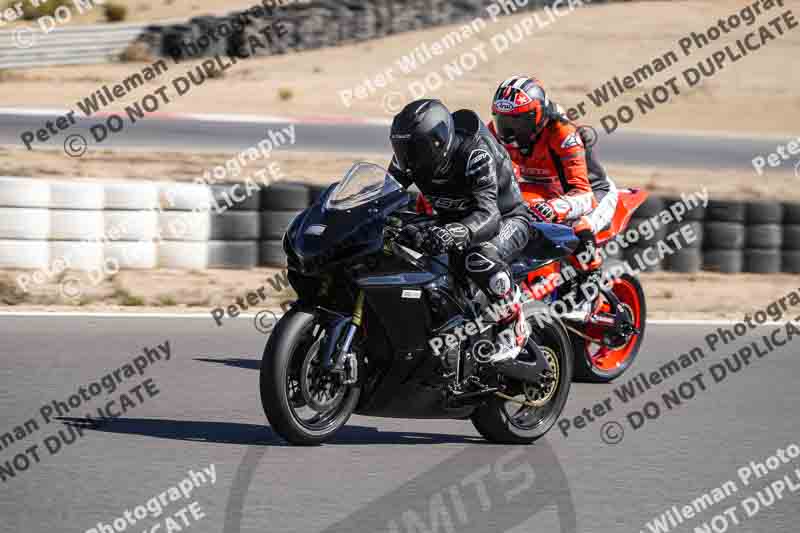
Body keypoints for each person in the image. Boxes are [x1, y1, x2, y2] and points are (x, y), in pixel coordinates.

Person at [389, 98, 532, 362]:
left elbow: (488, 214)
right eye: (401, 148)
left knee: (477, 258)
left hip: (505, 219)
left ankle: (513, 323)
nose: (407, 157)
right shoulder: (409, 159)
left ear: (437, 141)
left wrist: (457, 232)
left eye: (413, 148)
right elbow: (384, 194)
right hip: (449, 219)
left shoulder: (473, 153)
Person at [488, 76, 618, 272]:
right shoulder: (495, 133)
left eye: (518, 122)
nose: (509, 130)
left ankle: (591, 275)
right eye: (503, 121)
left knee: (577, 226)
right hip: (545, 188)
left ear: (538, 116)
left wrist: (553, 209)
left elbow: (584, 195)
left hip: (592, 192)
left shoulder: (562, 133)